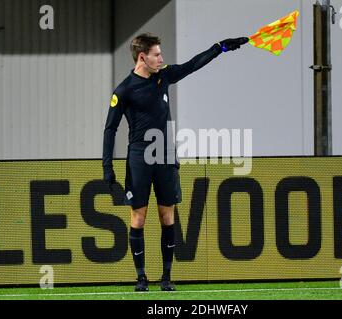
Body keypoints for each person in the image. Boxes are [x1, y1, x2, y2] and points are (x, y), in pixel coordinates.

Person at [102, 33, 248, 292]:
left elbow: (192, 65)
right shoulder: (124, 90)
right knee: (138, 217)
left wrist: (220, 47)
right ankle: (141, 278)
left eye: (161, 54)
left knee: (167, 215)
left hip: (165, 154)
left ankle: (167, 278)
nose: (162, 58)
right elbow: (110, 130)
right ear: (142, 57)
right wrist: (107, 170)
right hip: (139, 157)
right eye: (157, 54)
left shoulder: (164, 76)